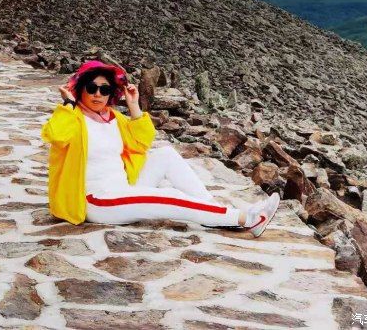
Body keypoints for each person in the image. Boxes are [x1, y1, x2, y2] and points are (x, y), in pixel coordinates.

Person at [41, 60, 280, 236]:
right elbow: (56, 135)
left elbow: (142, 142)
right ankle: (244, 218)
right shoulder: (73, 118)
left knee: (165, 154)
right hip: (96, 199)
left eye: (104, 89)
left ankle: (213, 212)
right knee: (170, 197)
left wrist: (133, 106)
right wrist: (68, 104)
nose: (97, 94)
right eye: (91, 88)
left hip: (123, 187)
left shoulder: (111, 117)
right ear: (80, 88)